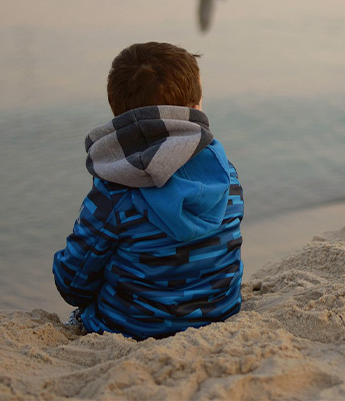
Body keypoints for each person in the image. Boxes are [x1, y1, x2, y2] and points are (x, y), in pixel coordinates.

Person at [52, 42, 244, 339]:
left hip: (133, 328)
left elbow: (72, 283)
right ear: (195, 109)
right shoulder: (225, 173)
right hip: (222, 314)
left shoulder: (115, 190)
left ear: (119, 116)